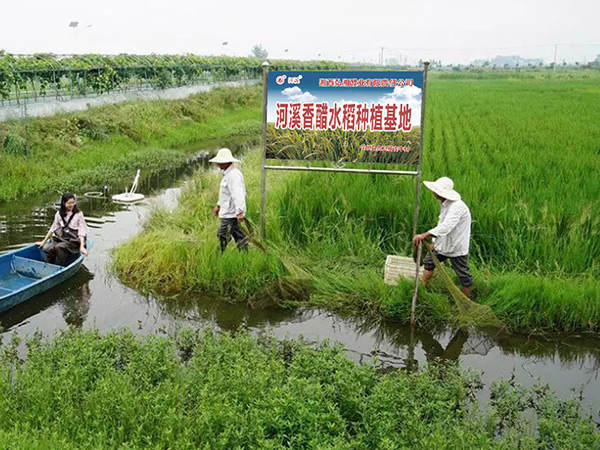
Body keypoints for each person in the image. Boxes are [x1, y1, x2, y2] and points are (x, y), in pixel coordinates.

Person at [412, 177, 473, 297]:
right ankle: (424, 291)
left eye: (436, 191)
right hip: (442, 244)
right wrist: (434, 242)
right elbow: (441, 223)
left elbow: (447, 226)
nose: (433, 193)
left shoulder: (457, 207)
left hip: (456, 246)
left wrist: (425, 235)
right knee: (429, 263)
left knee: (463, 275)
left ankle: (467, 299)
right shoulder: (445, 204)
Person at [209, 148, 248, 252]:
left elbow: (238, 194)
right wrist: (218, 206)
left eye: (220, 162)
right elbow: (225, 194)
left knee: (222, 234)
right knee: (238, 233)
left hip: (231, 213)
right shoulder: (228, 174)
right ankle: (245, 254)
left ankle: (219, 255)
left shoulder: (233, 175)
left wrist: (240, 211)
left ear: (226, 162)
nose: (217, 164)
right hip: (229, 210)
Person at [36, 192, 89, 266]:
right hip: (64, 238)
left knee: (59, 247)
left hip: (74, 241)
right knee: (48, 248)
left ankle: (62, 264)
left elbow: (82, 231)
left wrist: (82, 246)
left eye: (73, 203)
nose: (71, 205)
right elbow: (53, 228)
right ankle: (50, 265)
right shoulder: (59, 214)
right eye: (69, 203)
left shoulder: (79, 214)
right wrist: (43, 242)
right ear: (64, 203)